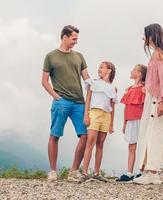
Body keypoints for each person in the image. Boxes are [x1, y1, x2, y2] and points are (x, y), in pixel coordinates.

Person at [41, 25, 90, 182]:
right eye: (74, 38)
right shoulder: (51, 56)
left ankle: (73, 172)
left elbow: (87, 79)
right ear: (64, 37)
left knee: (85, 136)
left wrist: (103, 85)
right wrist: (56, 97)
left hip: (79, 103)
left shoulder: (79, 56)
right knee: (55, 135)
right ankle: (53, 171)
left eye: (77, 38)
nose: (76, 41)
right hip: (61, 102)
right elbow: (44, 81)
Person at [134, 23, 163, 184]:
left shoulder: (158, 55)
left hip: (157, 98)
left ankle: (152, 173)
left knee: (153, 133)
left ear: (151, 36)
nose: (143, 38)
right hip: (159, 97)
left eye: (145, 35)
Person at [78, 61, 117, 183]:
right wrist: (86, 115)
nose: (99, 69)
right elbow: (88, 99)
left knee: (100, 144)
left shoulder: (113, 87)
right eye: (99, 67)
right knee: (90, 142)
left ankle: (96, 173)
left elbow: (112, 107)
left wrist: (111, 124)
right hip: (94, 113)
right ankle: (84, 173)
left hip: (106, 116)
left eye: (102, 67)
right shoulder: (93, 82)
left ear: (109, 70)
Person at [116, 64, 147, 182]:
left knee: (142, 146)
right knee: (131, 146)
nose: (131, 71)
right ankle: (129, 173)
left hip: (141, 120)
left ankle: (142, 171)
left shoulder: (144, 89)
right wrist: (125, 123)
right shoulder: (129, 89)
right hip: (130, 120)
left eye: (134, 70)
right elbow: (126, 107)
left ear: (139, 74)